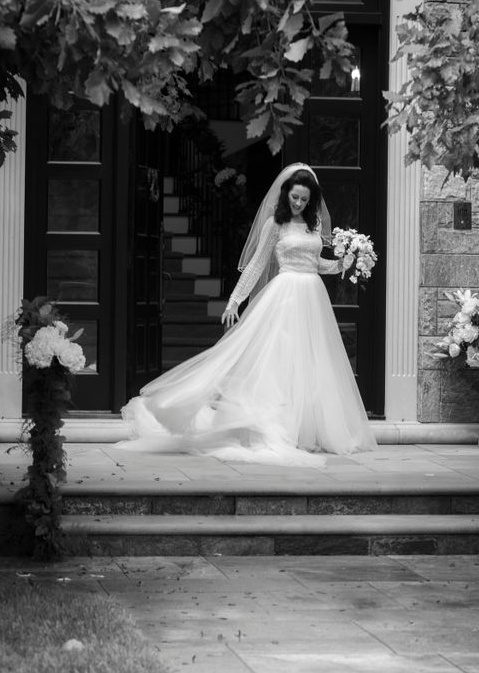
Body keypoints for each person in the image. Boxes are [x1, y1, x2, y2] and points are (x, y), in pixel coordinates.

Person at [116, 162, 376, 465]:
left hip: (313, 297)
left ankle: (308, 431)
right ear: (286, 194)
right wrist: (235, 301)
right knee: (277, 361)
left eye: (304, 199)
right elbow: (255, 264)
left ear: (312, 199)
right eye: (294, 197)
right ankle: (272, 427)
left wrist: (345, 263)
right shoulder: (274, 225)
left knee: (311, 361)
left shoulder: (315, 225)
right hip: (285, 297)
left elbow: (317, 263)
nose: (298, 203)